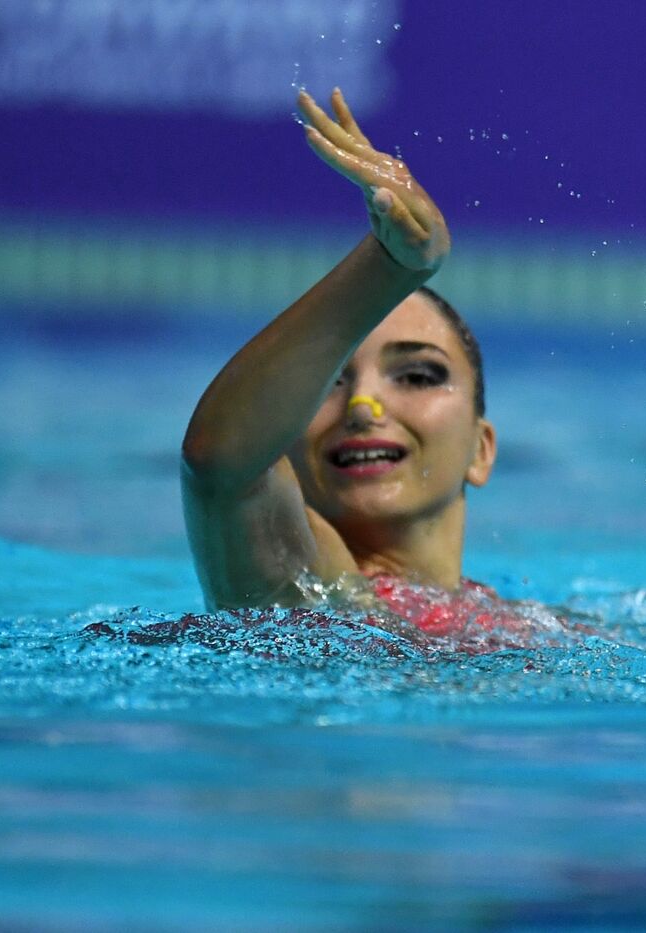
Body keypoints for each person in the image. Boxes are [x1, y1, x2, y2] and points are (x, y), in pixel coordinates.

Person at [180, 89, 524, 645]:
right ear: (285, 435)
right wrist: (389, 268)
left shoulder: (531, 623)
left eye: (417, 375)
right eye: (332, 380)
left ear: (481, 450)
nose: (365, 406)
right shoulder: (299, 586)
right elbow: (219, 463)